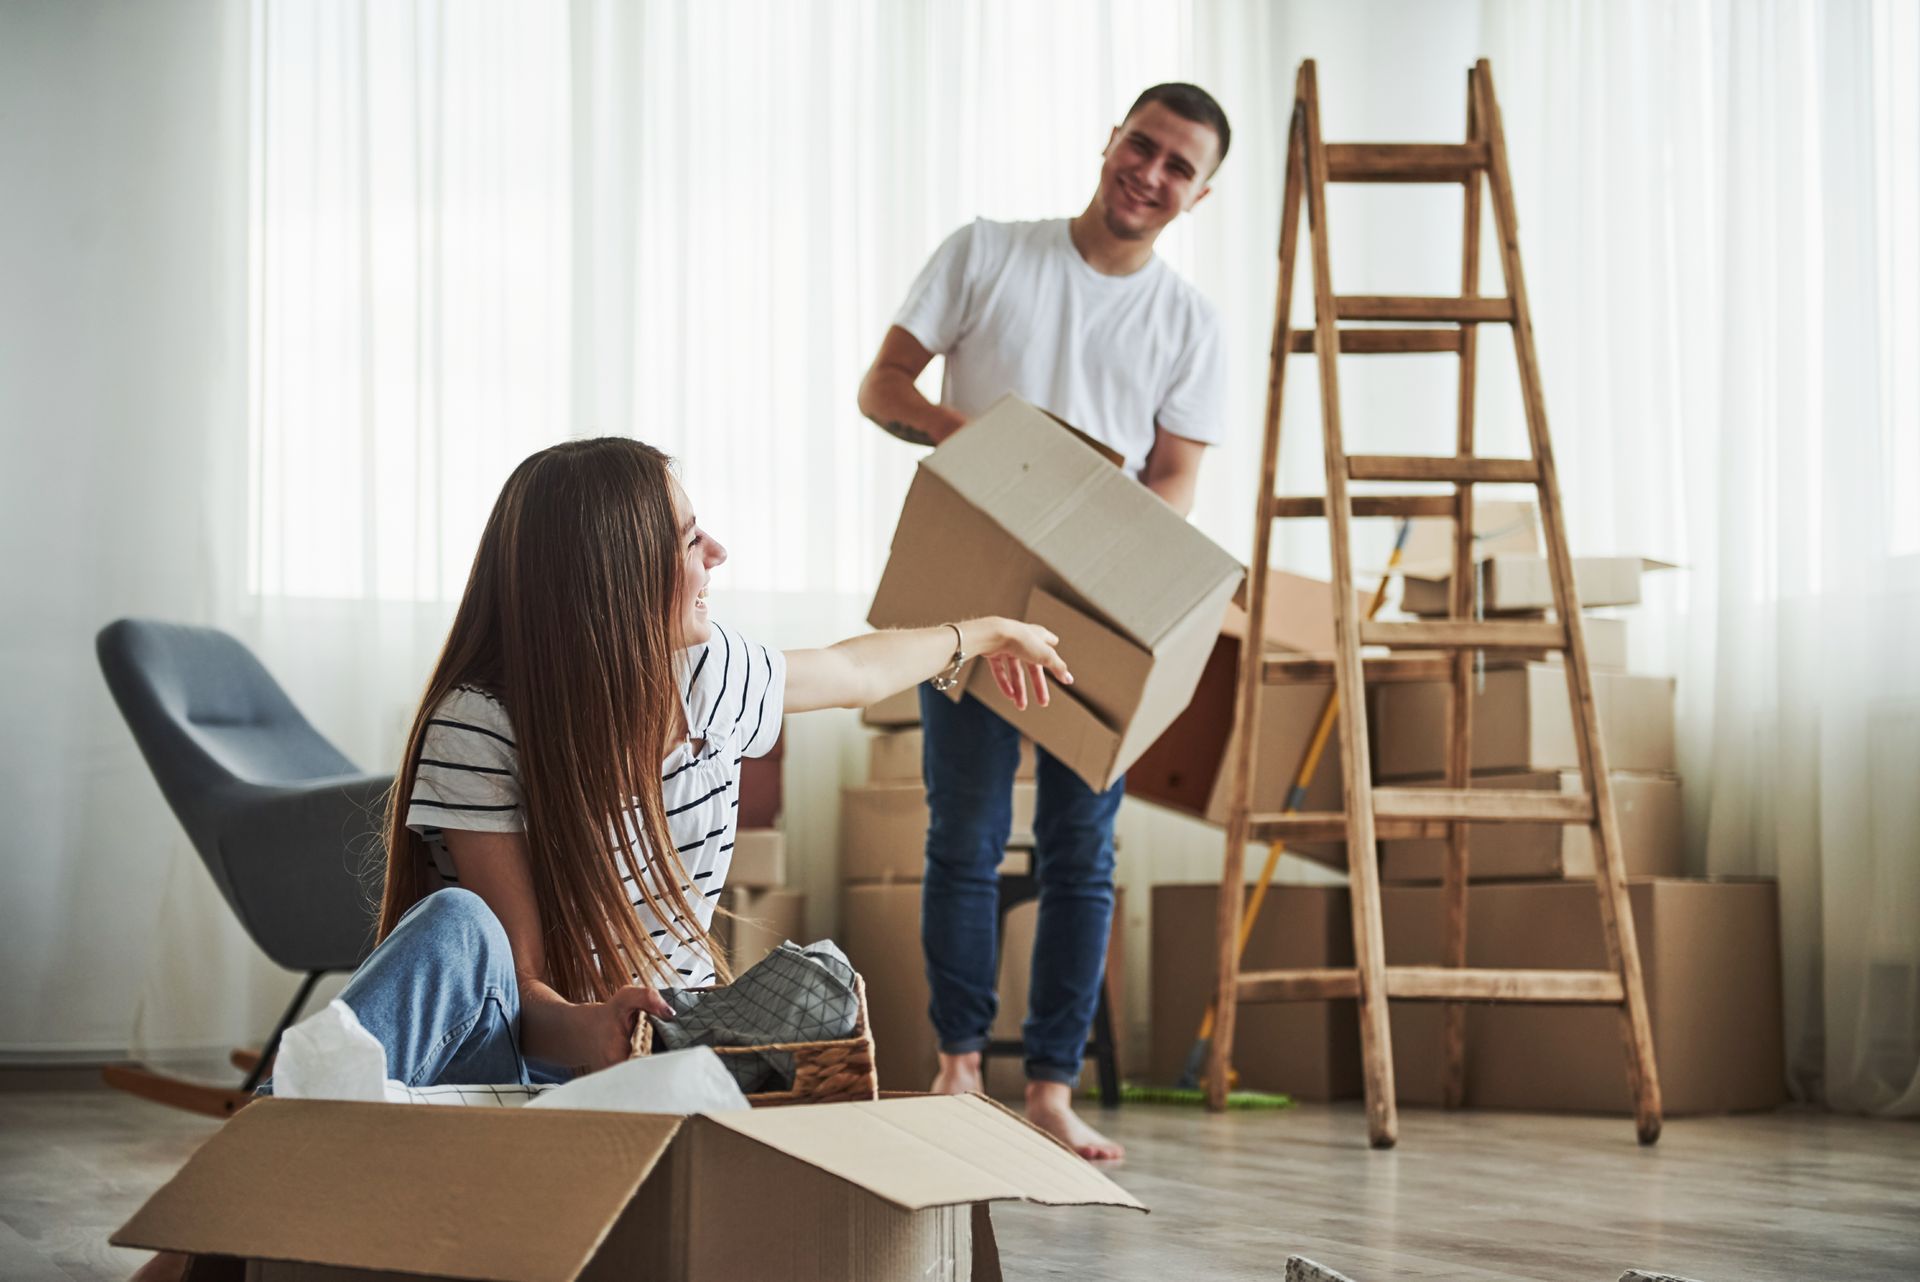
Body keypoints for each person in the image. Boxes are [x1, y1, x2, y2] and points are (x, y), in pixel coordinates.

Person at [129, 436, 1069, 1282]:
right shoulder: (484, 722)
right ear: (616, 573)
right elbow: (520, 983)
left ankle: (253, 1199)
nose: (718, 557)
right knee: (457, 925)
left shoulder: (710, 676)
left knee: (819, 982)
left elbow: (854, 668)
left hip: (668, 1062)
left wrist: (983, 635)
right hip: (535, 1053)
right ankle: (220, 1217)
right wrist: (593, 1029)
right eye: (691, 541)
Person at [856, 83, 1232, 1161]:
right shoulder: (987, 253)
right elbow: (882, 385)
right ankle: (960, 1067)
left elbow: (1175, 477)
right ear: (1111, 138)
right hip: (969, 590)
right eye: (1142, 146)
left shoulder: (1188, 323)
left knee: (1083, 850)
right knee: (961, 838)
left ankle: (1052, 1093)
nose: (1149, 175)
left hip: (1096, 615)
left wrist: (1104, 552)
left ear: (1200, 196)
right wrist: (986, 447)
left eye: (1177, 168)